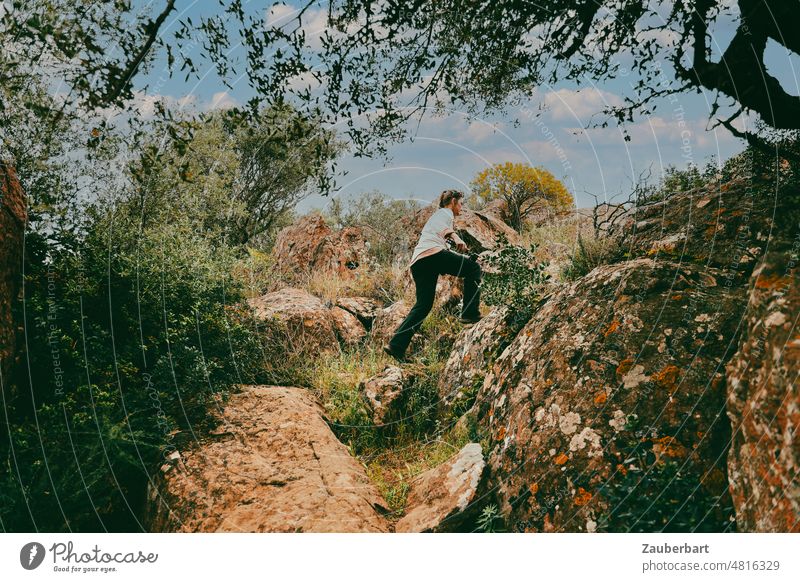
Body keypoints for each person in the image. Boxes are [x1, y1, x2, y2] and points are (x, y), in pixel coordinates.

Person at [383, 189, 482, 362]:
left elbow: (440, 240)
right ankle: (469, 313)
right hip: (432, 255)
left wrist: (455, 249)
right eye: (460, 203)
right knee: (473, 268)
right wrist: (457, 238)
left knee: (423, 305)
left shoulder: (436, 219)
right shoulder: (444, 213)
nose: (461, 207)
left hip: (419, 262)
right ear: (452, 201)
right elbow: (443, 229)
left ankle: (397, 345)